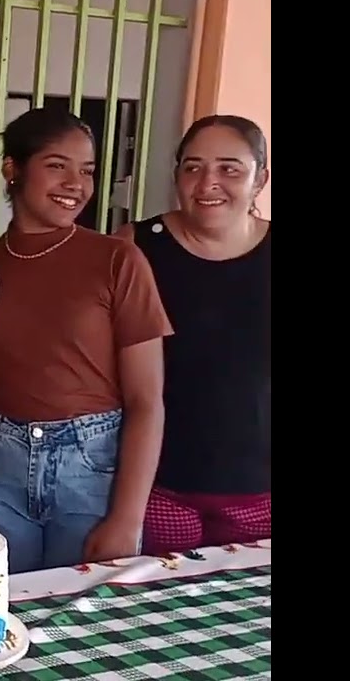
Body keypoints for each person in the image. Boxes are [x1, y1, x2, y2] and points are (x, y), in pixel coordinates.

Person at [0, 107, 172, 573]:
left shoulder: (118, 260)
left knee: (87, 625)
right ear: (13, 170)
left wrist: (126, 518)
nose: (76, 183)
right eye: (57, 166)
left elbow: (147, 401)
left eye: (88, 171)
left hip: (91, 472)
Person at [116, 115, 271, 554]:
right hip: (158, 490)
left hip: (259, 494)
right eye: (193, 167)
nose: (208, 183)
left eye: (230, 169)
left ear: (260, 178)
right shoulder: (136, 246)